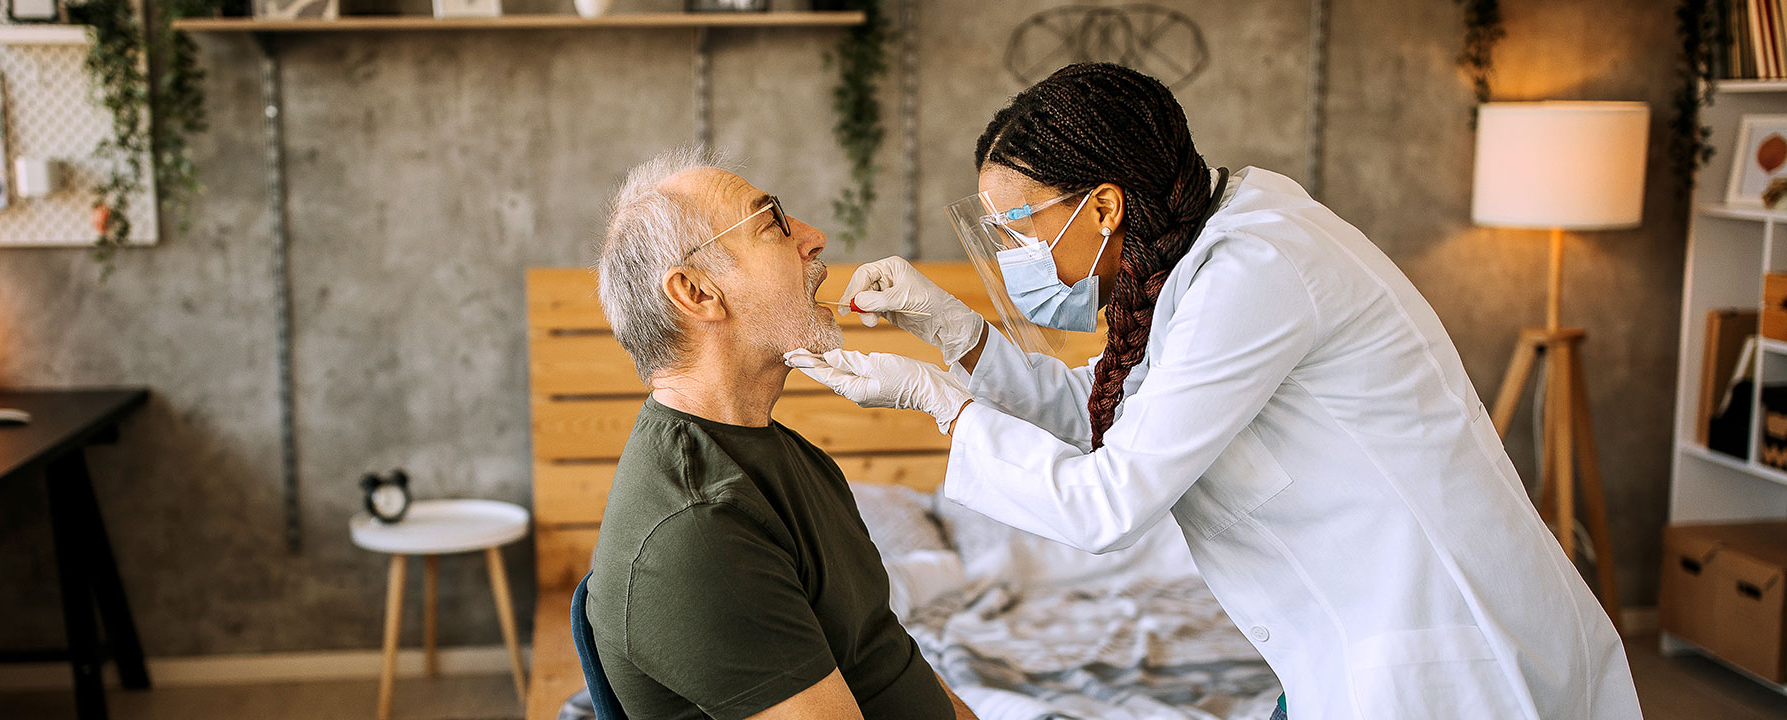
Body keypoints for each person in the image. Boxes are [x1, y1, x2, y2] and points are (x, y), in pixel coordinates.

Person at [788, 63, 1640, 719]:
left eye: (1017, 227)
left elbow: (1108, 503)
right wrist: (950, 329)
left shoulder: (1255, 270)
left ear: (1103, 208)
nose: (1010, 252)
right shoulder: (1194, 260)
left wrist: (942, 403)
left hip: (1445, 654)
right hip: (1345, 643)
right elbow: (1105, 413)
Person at [586, 149, 977, 720]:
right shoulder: (699, 527)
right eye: (772, 223)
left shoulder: (786, 455)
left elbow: (883, 657)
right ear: (697, 292)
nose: (815, 238)